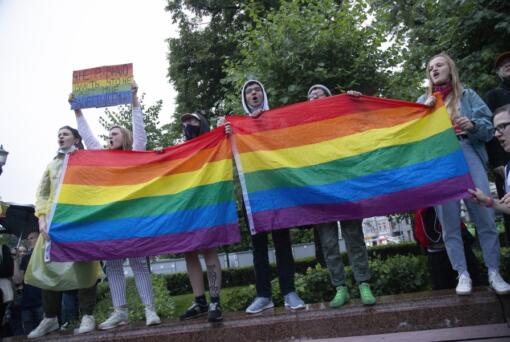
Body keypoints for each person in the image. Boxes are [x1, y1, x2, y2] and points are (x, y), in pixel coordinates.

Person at [418, 52, 510, 295]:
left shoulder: (467, 95)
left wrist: (474, 125)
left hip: (467, 150)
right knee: (448, 223)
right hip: (441, 161)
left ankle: (493, 272)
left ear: (450, 68)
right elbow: (414, 138)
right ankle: (463, 274)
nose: (434, 69)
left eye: (439, 65)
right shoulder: (423, 100)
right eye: (430, 67)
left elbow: (490, 129)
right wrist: (422, 114)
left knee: (485, 215)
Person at [72, 81, 161, 329]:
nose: (110, 136)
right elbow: (89, 139)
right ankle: (120, 311)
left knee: (139, 263)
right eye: (108, 134)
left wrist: (134, 100)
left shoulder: (134, 154)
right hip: (110, 221)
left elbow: (140, 132)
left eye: (115, 133)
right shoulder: (101, 157)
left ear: (125, 137)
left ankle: (150, 310)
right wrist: (77, 111)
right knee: (112, 265)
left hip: (132, 219)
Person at [237, 80, 305, 313]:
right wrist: (225, 129)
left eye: (256, 90)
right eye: (248, 92)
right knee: (259, 248)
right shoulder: (239, 125)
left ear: (263, 94)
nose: (253, 94)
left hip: (278, 190)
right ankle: (263, 296)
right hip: (253, 195)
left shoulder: (278, 120)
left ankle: (289, 292)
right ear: (244, 99)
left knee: (283, 243)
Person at [306, 84, 375, 307]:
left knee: (354, 237)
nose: (314, 96)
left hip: (347, 188)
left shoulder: (343, 118)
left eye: (320, 94)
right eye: (310, 96)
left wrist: (355, 101)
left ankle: (364, 284)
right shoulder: (303, 126)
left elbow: (364, 121)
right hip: (320, 192)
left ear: (331, 98)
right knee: (328, 244)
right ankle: (340, 288)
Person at [28, 126, 99, 338]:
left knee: (84, 265)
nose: (60, 136)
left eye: (65, 133)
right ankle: (50, 318)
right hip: (52, 224)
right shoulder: (52, 165)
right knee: (48, 267)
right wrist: (41, 220)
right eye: (58, 134)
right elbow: (42, 194)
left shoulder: (86, 161)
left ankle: (88, 314)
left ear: (76, 139)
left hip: (79, 221)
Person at [177, 112, 224, 323]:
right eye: (185, 122)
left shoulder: (214, 141)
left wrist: (226, 132)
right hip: (187, 206)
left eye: (193, 120)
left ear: (202, 123)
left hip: (207, 203)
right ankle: (200, 301)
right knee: (189, 252)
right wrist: (161, 155)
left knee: (209, 249)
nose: (189, 124)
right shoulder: (180, 149)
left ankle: (215, 300)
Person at [484, 51, 510, 245]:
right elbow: (491, 133)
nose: (507, 64)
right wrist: (497, 163)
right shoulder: (493, 96)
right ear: (498, 72)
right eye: (503, 64)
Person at [470, 104, 510, 216]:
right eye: (495, 129)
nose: (497, 134)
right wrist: (488, 201)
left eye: (502, 126)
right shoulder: (508, 169)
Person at [12, 232, 43, 335]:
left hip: (42, 302)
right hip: (27, 303)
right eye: (28, 238)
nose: (29, 240)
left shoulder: (44, 254)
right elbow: (17, 280)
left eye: (32, 238)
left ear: (39, 238)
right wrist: (16, 260)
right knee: (28, 336)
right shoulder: (26, 258)